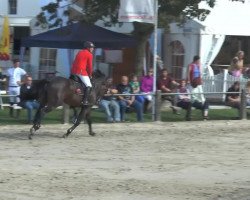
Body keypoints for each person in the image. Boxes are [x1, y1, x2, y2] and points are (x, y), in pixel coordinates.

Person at [71, 41, 95, 106]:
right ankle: (84, 101)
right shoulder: (89, 54)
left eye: (93, 47)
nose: (92, 48)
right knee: (89, 85)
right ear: (87, 48)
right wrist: (90, 75)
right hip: (81, 72)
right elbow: (90, 66)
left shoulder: (79, 52)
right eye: (91, 47)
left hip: (73, 71)